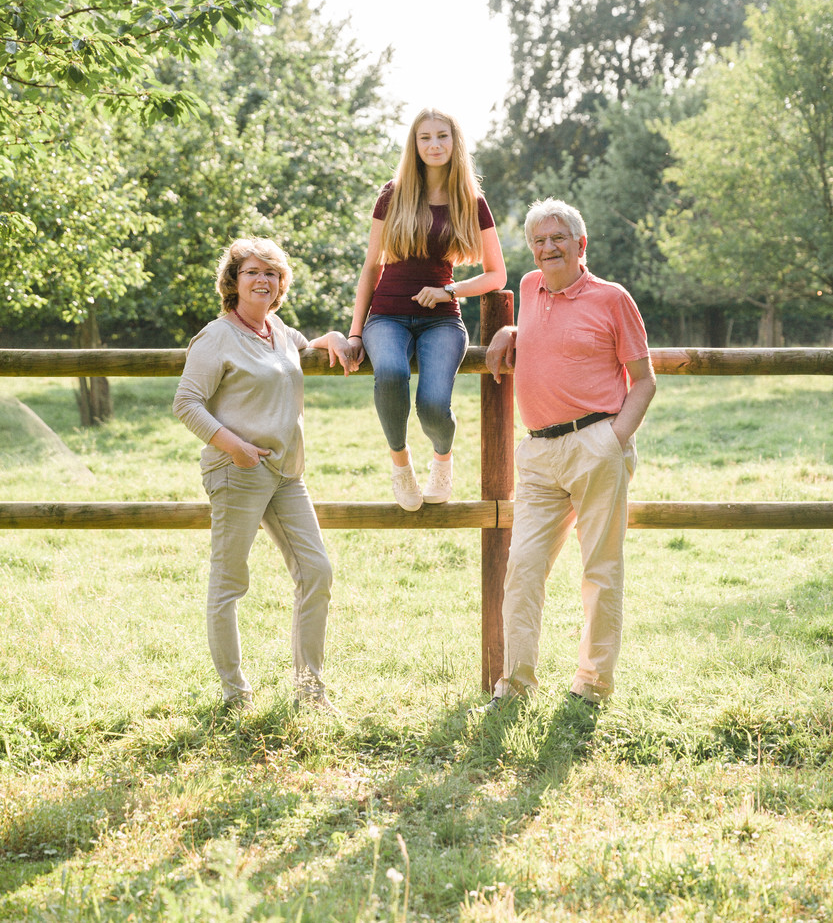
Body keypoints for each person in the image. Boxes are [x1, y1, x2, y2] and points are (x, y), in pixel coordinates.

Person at [484, 198, 656, 710]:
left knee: (600, 570)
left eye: (558, 238)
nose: (547, 248)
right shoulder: (530, 287)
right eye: (539, 240)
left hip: (595, 444)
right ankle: (515, 685)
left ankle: (593, 685)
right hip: (537, 451)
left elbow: (644, 382)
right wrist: (509, 330)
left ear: (581, 245)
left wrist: (612, 440)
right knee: (523, 567)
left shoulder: (612, 298)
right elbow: (539, 335)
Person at [172, 236, 356, 712]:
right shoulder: (217, 336)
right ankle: (236, 695)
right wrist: (235, 449)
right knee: (229, 582)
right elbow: (186, 402)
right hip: (238, 471)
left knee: (316, 571)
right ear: (233, 282)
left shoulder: (276, 329)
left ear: (280, 285)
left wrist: (331, 339)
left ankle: (310, 692)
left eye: (272, 274)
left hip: (286, 474)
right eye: (253, 272)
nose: (263, 280)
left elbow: (302, 348)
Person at [347, 109, 506, 510]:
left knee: (434, 404)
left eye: (442, 137)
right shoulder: (393, 193)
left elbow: (496, 275)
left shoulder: (471, 201)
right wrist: (354, 331)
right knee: (391, 372)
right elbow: (372, 266)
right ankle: (401, 465)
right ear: (414, 145)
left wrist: (448, 290)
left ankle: (442, 461)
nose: (434, 145)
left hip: (442, 321)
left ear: (455, 144)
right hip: (386, 315)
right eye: (425, 138)